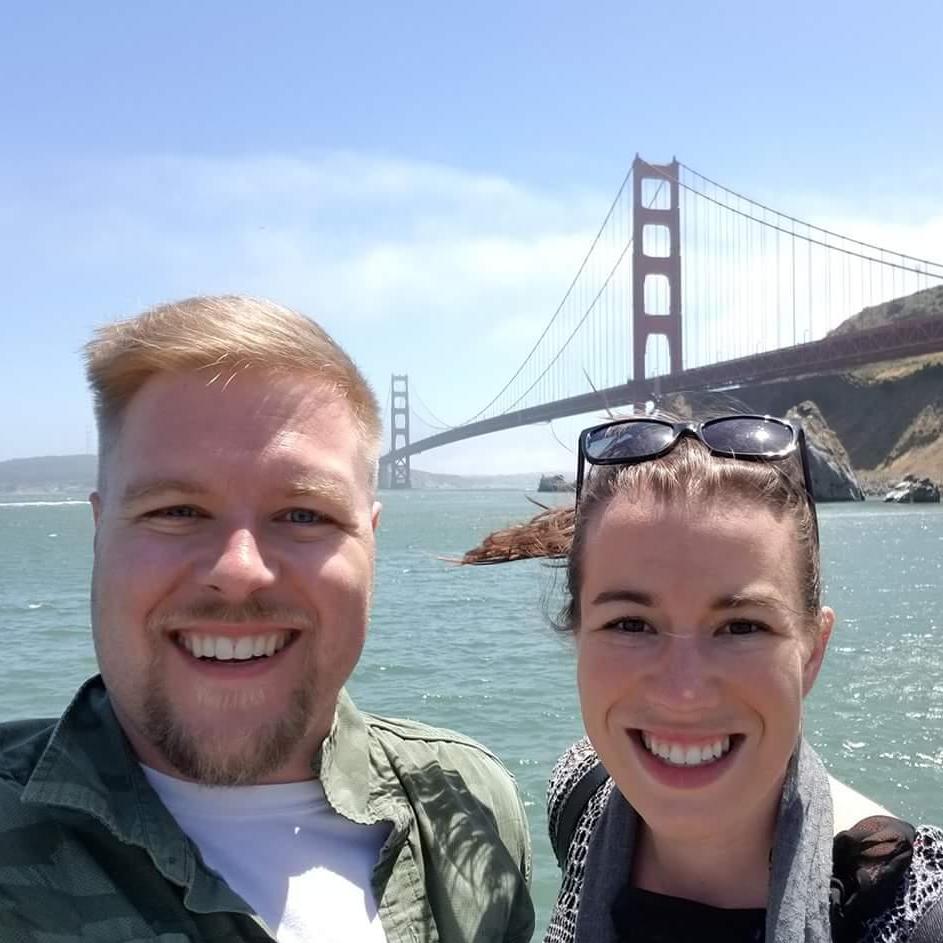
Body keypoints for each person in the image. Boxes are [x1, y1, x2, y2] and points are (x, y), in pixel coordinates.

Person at [0, 295, 534, 943]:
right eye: (176, 510)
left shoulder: (468, 804)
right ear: (99, 532)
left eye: (304, 514)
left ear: (370, 544)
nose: (240, 568)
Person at [464, 414, 943, 943]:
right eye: (630, 624)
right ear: (579, 635)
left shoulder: (908, 911)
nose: (683, 692)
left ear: (812, 650)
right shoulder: (578, 793)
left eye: (741, 626)